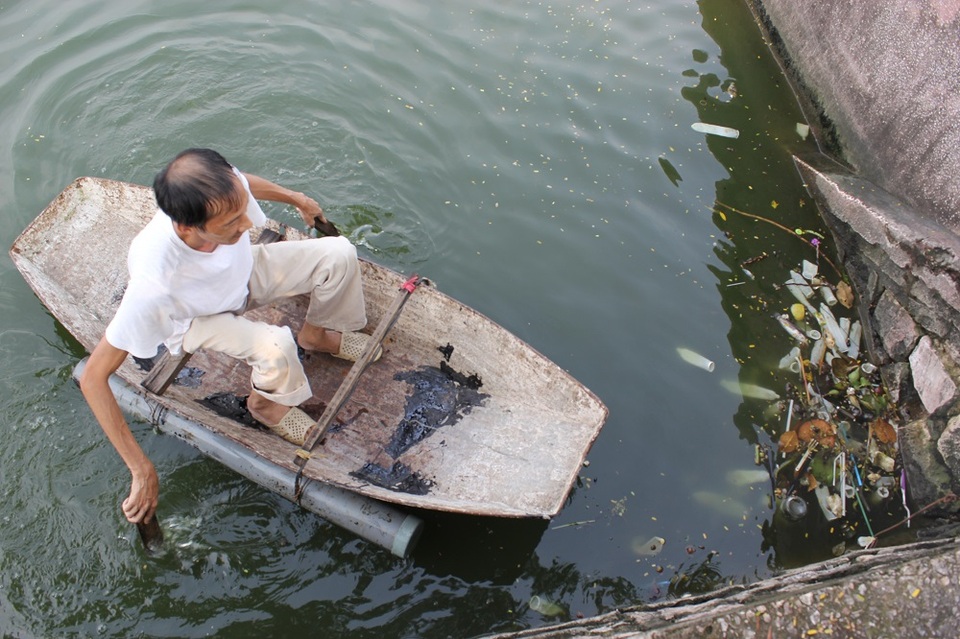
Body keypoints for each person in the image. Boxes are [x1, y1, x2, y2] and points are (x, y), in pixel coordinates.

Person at [79, 148, 378, 526]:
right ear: (187, 227)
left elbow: (244, 183)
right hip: (195, 315)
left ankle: (316, 334)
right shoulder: (152, 285)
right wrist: (140, 470)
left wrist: (296, 198)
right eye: (230, 223)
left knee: (338, 253)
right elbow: (93, 378)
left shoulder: (225, 196)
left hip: (239, 278)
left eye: (242, 212)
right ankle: (266, 406)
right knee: (276, 346)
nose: (245, 226)